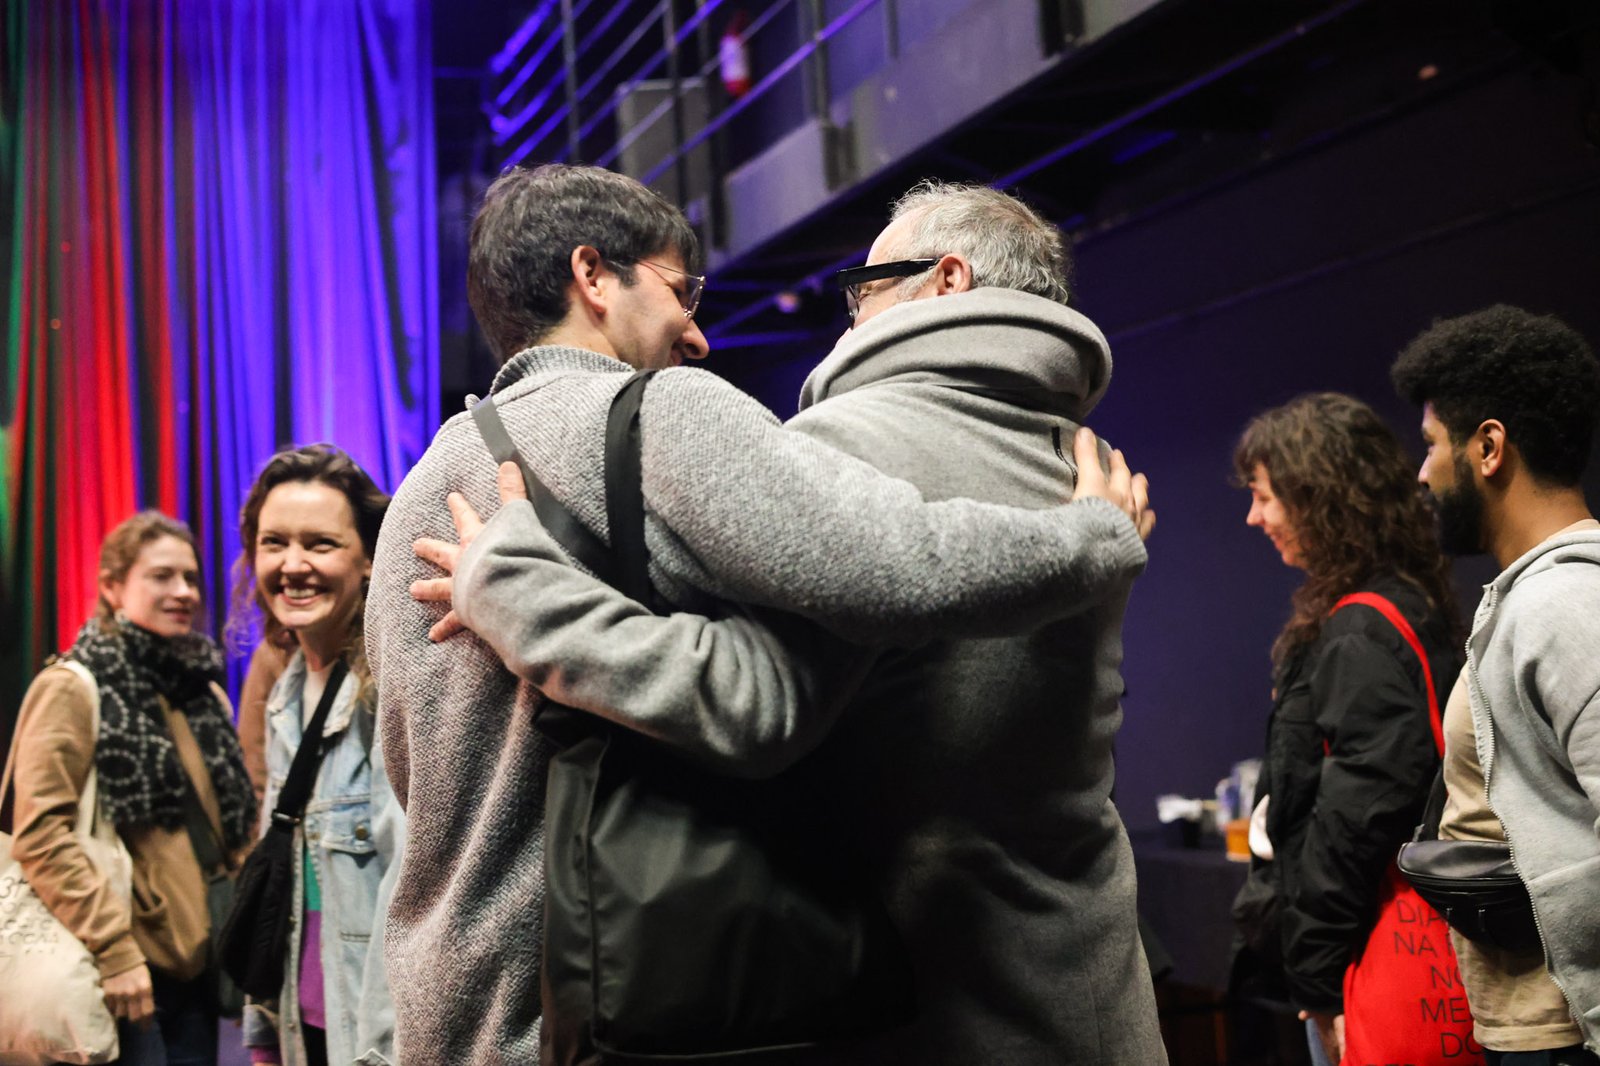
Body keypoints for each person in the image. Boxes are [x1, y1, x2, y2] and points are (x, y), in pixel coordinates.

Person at [370, 164, 1164, 1064]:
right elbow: (787, 681)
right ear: (593, 276)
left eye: (864, 287)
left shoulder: (418, 496)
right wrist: (1094, 542)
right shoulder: (666, 416)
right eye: (682, 292)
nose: (700, 333)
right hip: (613, 1003)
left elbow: (406, 776)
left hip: (451, 1001)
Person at [1391, 305, 1600, 1065]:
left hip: (1570, 1037)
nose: (1422, 472)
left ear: (1488, 447)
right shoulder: (1529, 601)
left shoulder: (1567, 607)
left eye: (1431, 445)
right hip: (1538, 1030)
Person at [1228, 392, 1463, 1065]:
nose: (1254, 516)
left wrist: (1319, 981)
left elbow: (1354, 822)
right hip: (1359, 951)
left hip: (1367, 962)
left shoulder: (1363, 627)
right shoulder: (1399, 602)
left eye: (1266, 497)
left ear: (1319, 496)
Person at [10, 511, 257, 1064]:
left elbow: (231, 832)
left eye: (191, 578)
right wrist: (115, 950)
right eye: (162, 576)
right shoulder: (74, 687)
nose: (183, 592)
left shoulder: (201, 693)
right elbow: (39, 835)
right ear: (111, 587)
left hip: (194, 970)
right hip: (113, 976)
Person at [231, 445, 402, 1066]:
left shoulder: (388, 690)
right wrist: (263, 1026)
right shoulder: (283, 695)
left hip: (373, 1039)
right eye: (274, 542)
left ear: (367, 560)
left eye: (320, 544)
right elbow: (278, 875)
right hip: (303, 1027)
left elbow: (408, 898)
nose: (292, 565)